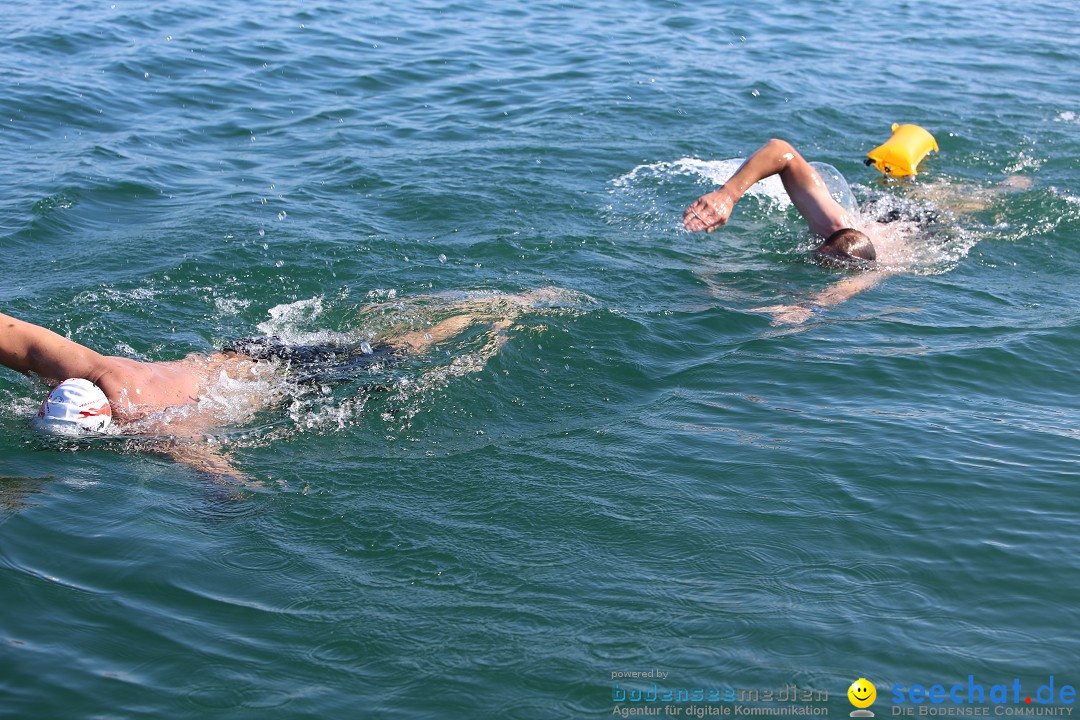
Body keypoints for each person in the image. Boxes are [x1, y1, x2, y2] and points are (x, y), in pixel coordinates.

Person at [0, 289, 557, 479]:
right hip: (245, 354)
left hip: (286, 374)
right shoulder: (97, 369)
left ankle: (508, 310)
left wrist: (228, 496)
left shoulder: (149, 428)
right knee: (380, 339)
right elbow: (18, 337)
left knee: (410, 349)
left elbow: (207, 460)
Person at [683, 138, 887, 324]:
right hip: (880, 212)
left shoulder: (879, 265)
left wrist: (809, 306)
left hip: (907, 226)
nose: (817, 255)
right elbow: (781, 149)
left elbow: (856, 283)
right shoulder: (834, 224)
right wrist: (728, 195)